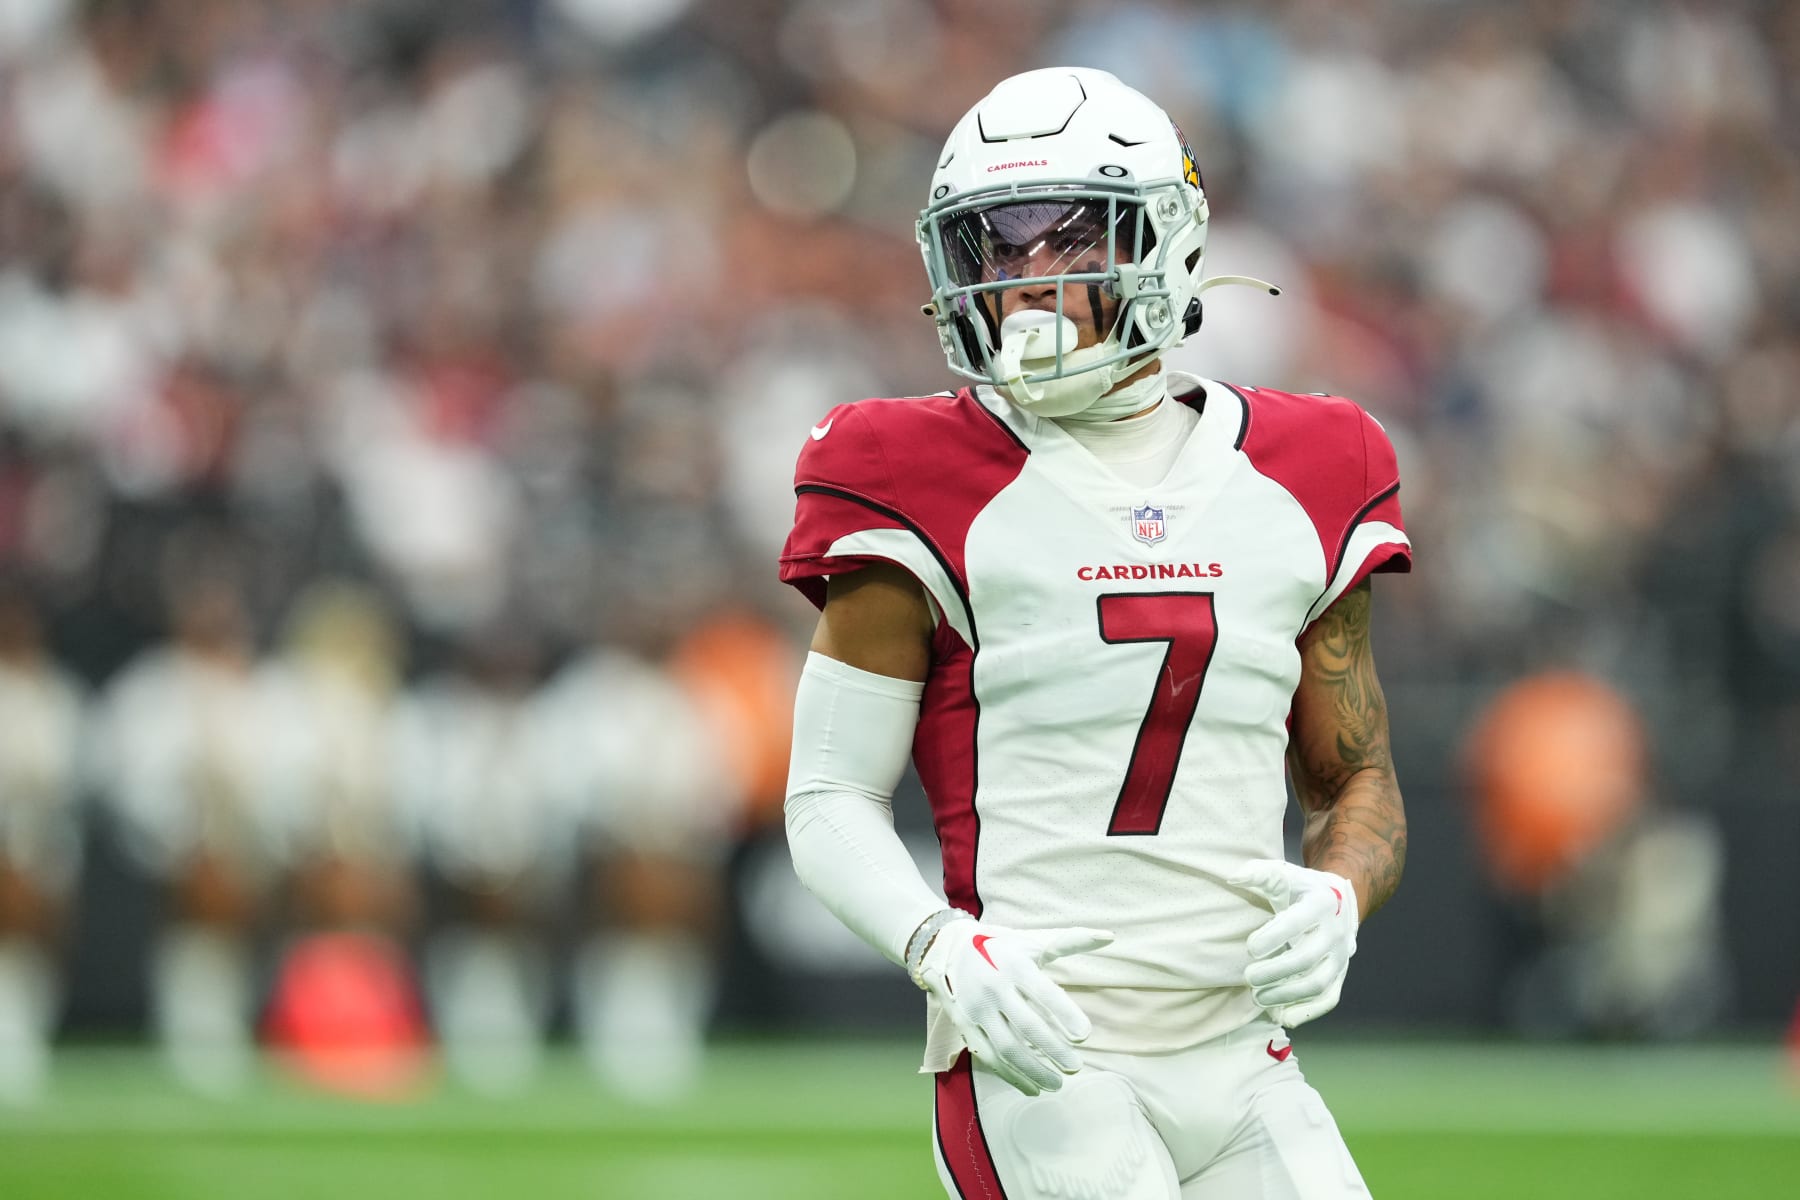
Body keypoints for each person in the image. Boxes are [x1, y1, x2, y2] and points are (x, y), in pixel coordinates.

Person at [780, 68, 1409, 1198]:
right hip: (1041, 1057)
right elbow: (828, 796)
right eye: (994, 246)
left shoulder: (1317, 465)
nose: (1025, 280)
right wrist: (941, 947)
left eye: (1068, 237)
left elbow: (1356, 778)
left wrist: (1339, 895)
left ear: (1167, 240)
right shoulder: (902, 469)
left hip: (1246, 1056)